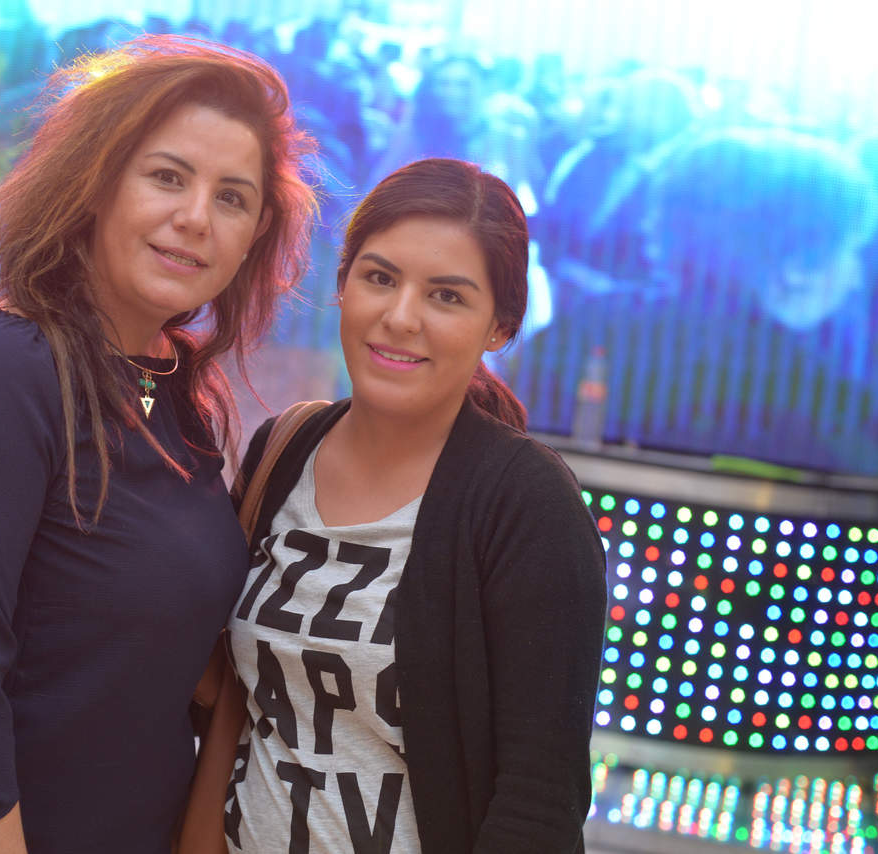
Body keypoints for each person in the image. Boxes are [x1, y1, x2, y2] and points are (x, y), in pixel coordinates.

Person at [0, 35, 316, 854]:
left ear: (255, 232)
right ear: (96, 180)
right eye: (167, 177)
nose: (196, 218)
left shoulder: (178, 397)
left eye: (232, 198)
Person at [224, 158, 609, 853]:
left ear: (500, 326)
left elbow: (539, 803)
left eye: (447, 296)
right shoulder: (283, 450)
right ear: (342, 284)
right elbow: (234, 712)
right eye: (380, 278)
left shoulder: (526, 504)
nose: (400, 318)